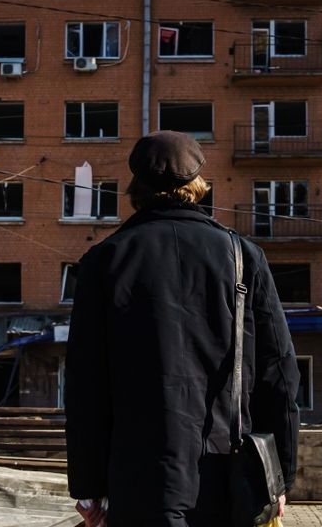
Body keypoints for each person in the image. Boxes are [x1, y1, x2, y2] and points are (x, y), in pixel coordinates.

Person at [66, 131, 300, 527]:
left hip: (136, 477)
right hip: (231, 474)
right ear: (199, 186)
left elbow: (86, 384)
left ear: (136, 188)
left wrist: (89, 489)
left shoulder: (103, 261)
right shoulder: (242, 257)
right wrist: (278, 478)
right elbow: (278, 372)